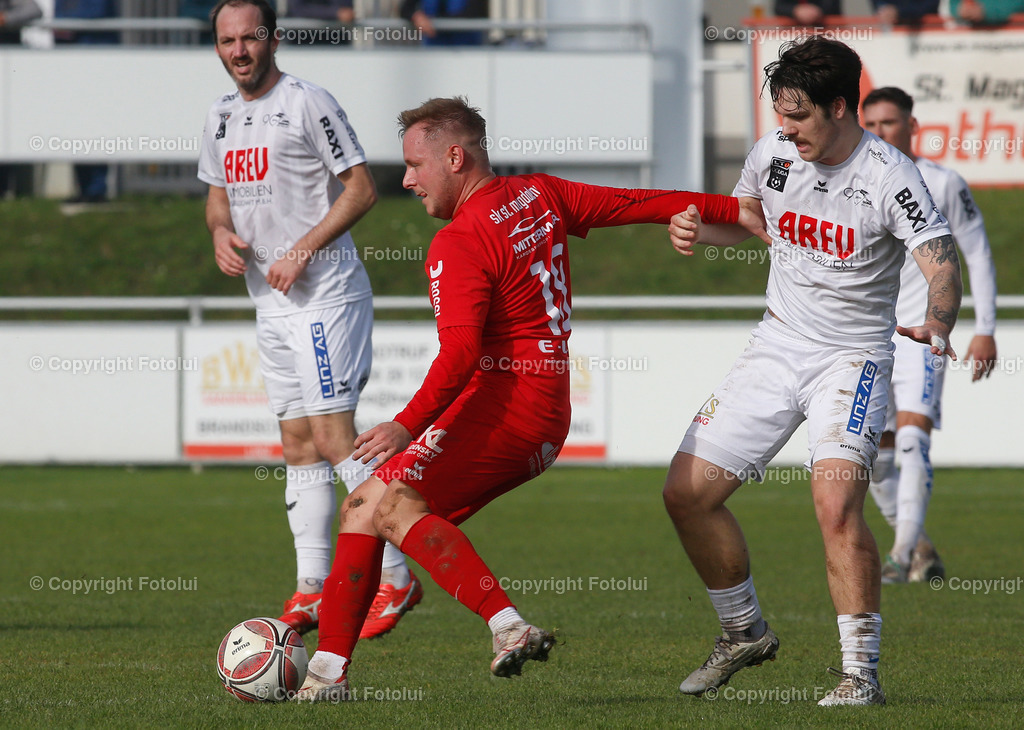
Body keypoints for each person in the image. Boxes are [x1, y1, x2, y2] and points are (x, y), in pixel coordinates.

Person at [293, 95, 765, 701]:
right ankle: (328, 673)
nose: (407, 180)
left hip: (507, 403)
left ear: (455, 157)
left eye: (414, 164)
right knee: (364, 505)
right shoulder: (539, 194)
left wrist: (406, 425)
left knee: (391, 505)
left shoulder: (458, 243)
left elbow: (460, 356)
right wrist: (745, 210)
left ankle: (507, 626)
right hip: (544, 405)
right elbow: (642, 203)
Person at [662, 37, 961, 706]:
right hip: (775, 346)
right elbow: (748, 218)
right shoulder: (773, 154)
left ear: (838, 107)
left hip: (851, 361)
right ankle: (742, 632)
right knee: (687, 493)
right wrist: (699, 232)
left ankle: (860, 677)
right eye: (779, 114)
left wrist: (938, 321)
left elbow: (941, 260)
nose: (785, 129)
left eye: (798, 116)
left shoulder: (888, 174)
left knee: (834, 505)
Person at [198, 0, 420, 641]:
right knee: (297, 444)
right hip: (269, 302)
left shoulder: (307, 102)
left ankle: (397, 576)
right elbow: (217, 199)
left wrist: (303, 248)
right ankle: (314, 584)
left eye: (249, 38)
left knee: (333, 440)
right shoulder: (218, 117)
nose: (238, 51)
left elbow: (361, 187)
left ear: (271, 39)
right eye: (227, 41)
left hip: (326, 297)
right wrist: (219, 232)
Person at [862, 86, 998, 584]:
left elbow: (977, 254)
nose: (880, 133)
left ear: (912, 126)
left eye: (889, 124)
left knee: (913, 438)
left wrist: (984, 329)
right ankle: (917, 546)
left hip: (923, 332)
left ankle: (898, 558)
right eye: (871, 125)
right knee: (872, 454)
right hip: (868, 334)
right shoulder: (853, 181)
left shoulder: (943, 182)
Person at [55, 0, 117, 203]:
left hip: (95, 61)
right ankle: (83, 187)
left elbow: (95, 12)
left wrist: (65, 23)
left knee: (95, 125)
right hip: (71, 63)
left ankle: (97, 189)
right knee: (76, 127)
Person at [400, 0, 487, 45]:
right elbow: (405, 9)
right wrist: (416, 16)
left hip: (467, 50)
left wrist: (432, 22)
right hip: (433, 49)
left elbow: (476, 12)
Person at [951, 0, 1024, 24]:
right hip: (968, 39)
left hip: (1011, 36)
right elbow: (953, 4)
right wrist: (959, 9)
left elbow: (1018, 3)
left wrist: (987, 11)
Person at [773, 0, 841, 25]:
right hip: (792, 32)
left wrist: (815, 11)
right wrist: (795, 10)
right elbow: (779, 7)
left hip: (826, 29)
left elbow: (831, 5)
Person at [871, 0, 939, 25]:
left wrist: (899, 11)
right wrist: (884, 7)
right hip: (892, 30)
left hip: (928, 30)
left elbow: (930, 5)